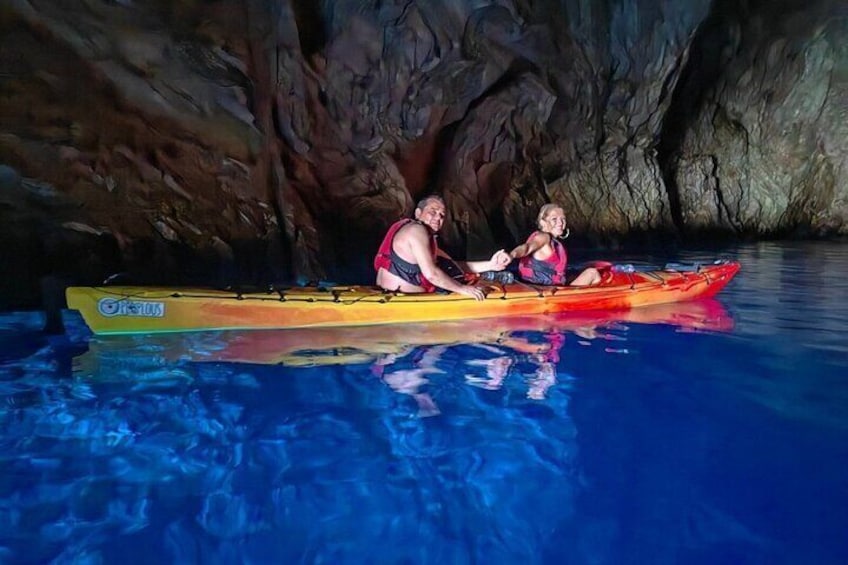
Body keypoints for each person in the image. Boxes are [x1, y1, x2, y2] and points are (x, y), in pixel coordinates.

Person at [375, 195, 511, 300]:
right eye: (433, 211)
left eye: (442, 215)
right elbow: (432, 274)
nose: (438, 217)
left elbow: (455, 266)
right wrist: (463, 289)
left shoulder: (419, 237)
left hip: (385, 296)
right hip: (404, 307)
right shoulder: (417, 230)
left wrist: (491, 264)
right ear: (418, 213)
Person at [508, 204, 601, 286]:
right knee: (592, 273)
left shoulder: (551, 240)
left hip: (540, 285)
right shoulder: (543, 237)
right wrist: (512, 255)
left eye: (563, 219)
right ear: (543, 222)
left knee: (574, 274)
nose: (560, 223)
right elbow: (527, 248)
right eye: (554, 219)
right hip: (544, 291)